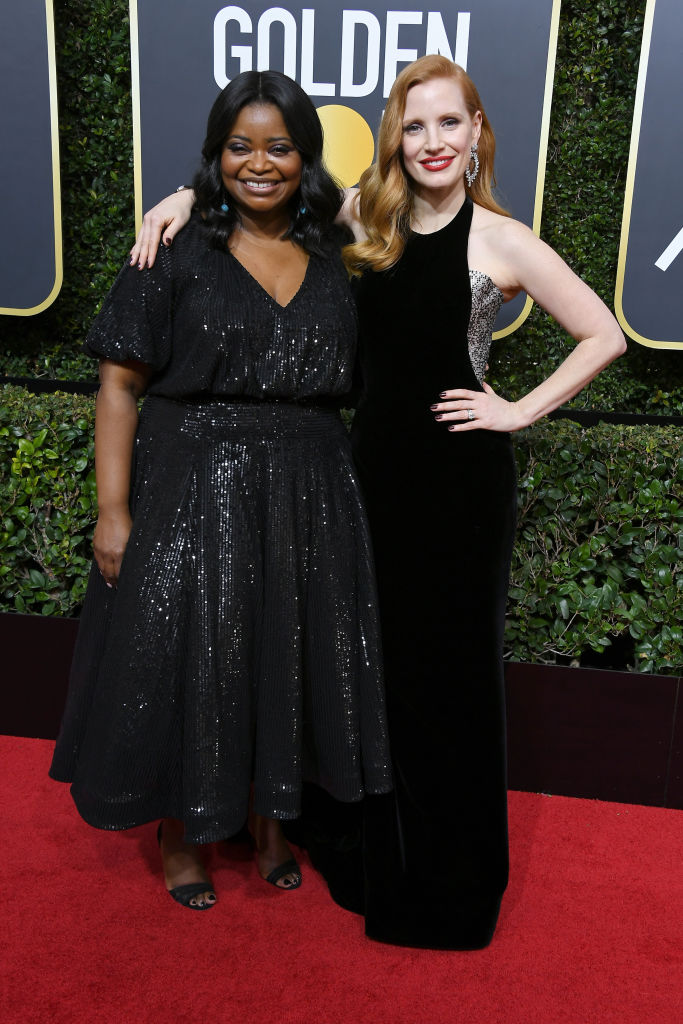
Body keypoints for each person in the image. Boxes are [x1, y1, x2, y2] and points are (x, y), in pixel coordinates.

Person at [130, 56, 625, 944]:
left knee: (449, 684)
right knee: (368, 673)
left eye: (450, 123)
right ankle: (370, 853)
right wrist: (175, 198)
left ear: (477, 135)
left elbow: (603, 333)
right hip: (365, 484)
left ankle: (448, 881)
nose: (432, 141)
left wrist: (514, 409)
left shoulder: (502, 240)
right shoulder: (368, 216)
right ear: (396, 137)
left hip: (458, 494)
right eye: (416, 124)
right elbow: (259, 192)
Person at [50, 70, 392, 911]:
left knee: (287, 652)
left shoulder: (334, 248)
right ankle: (182, 831)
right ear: (215, 155)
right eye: (239, 146)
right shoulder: (173, 248)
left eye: (279, 146)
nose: (260, 163)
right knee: (186, 655)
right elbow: (119, 386)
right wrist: (114, 510)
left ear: (305, 155)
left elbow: (406, 203)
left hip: (310, 487)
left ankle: (274, 822)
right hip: (191, 480)